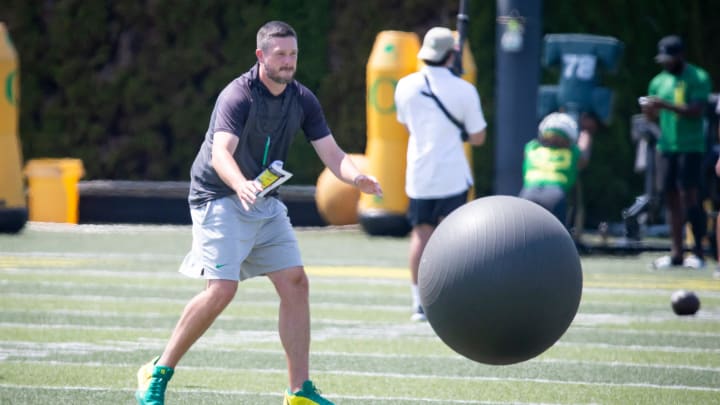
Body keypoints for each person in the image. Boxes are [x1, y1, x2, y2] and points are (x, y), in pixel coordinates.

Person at [134, 21, 382, 405]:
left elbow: (332, 153)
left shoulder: (302, 98)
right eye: (280, 54)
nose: (288, 62)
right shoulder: (237, 95)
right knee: (221, 290)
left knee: (296, 283)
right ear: (261, 56)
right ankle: (158, 370)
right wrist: (240, 184)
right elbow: (221, 153)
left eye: (293, 54)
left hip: (264, 201)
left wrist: (356, 177)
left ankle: (299, 391)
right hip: (218, 196)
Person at [394, 27, 487, 322]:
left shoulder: (405, 85)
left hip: (419, 173)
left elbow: (406, 124)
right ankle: (454, 298)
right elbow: (478, 137)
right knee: (455, 239)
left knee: (420, 236)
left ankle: (418, 302)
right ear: (451, 55)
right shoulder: (464, 89)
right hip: (452, 175)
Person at [641, 35, 712, 270]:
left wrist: (665, 105)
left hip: (690, 146)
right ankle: (676, 253)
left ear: (681, 56)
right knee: (670, 199)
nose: (666, 63)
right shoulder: (657, 81)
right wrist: (650, 110)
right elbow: (652, 118)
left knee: (690, 197)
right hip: (666, 146)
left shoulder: (698, 77)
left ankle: (699, 252)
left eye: (670, 58)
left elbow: (696, 110)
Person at [519, 112, 593, 226]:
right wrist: (586, 132)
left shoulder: (531, 148)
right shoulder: (572, 153)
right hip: (555, 196)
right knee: (557, 239)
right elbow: (584, 156)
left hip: (527, 195)